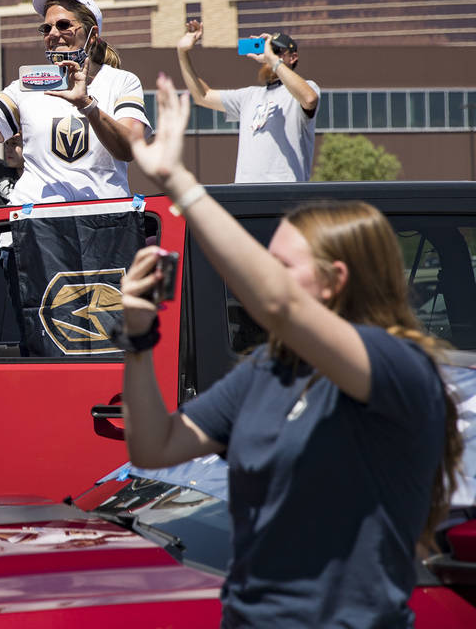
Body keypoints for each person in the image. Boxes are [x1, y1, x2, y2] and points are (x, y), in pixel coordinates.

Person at [117, 74, 461, 627]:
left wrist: (181, 183)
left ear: (335, 280)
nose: (258, 279)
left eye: (281, 266)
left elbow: (278, 306)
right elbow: (153, 446)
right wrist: (136, 339)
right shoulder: (270, 370)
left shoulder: (398, 365)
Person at [0, 0, 150, 203]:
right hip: (37, 220)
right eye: (46, 28)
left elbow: (129, 149)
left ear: (92, 36)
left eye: (64, 25)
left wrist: (87, 105)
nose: (53, 34)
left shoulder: (121, 81)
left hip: (102, 218)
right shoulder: (28, 84)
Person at [176, 20, 320, 182]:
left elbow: (309, 99)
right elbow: (203, 96)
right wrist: (182, 53)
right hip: (246, 192)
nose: (269, 55)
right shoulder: (250, 96)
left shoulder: (306, 88)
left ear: (293, 58)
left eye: (277, 51)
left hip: (285, 192)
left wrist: (273, 60)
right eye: (269, 50)